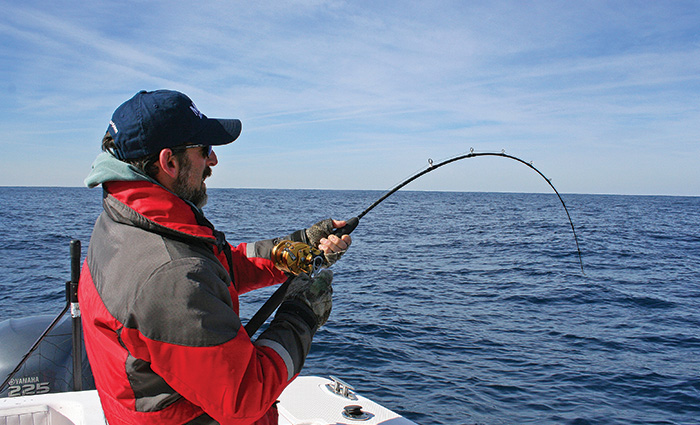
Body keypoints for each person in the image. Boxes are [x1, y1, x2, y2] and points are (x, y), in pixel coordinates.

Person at [78, 89, 351, 425]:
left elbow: (215, 269)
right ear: (169, 162)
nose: (213, 161)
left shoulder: (125, 223)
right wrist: (302, 313)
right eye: (204, 149)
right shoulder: (169, 274)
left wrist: (292, 249)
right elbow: (245, 396)